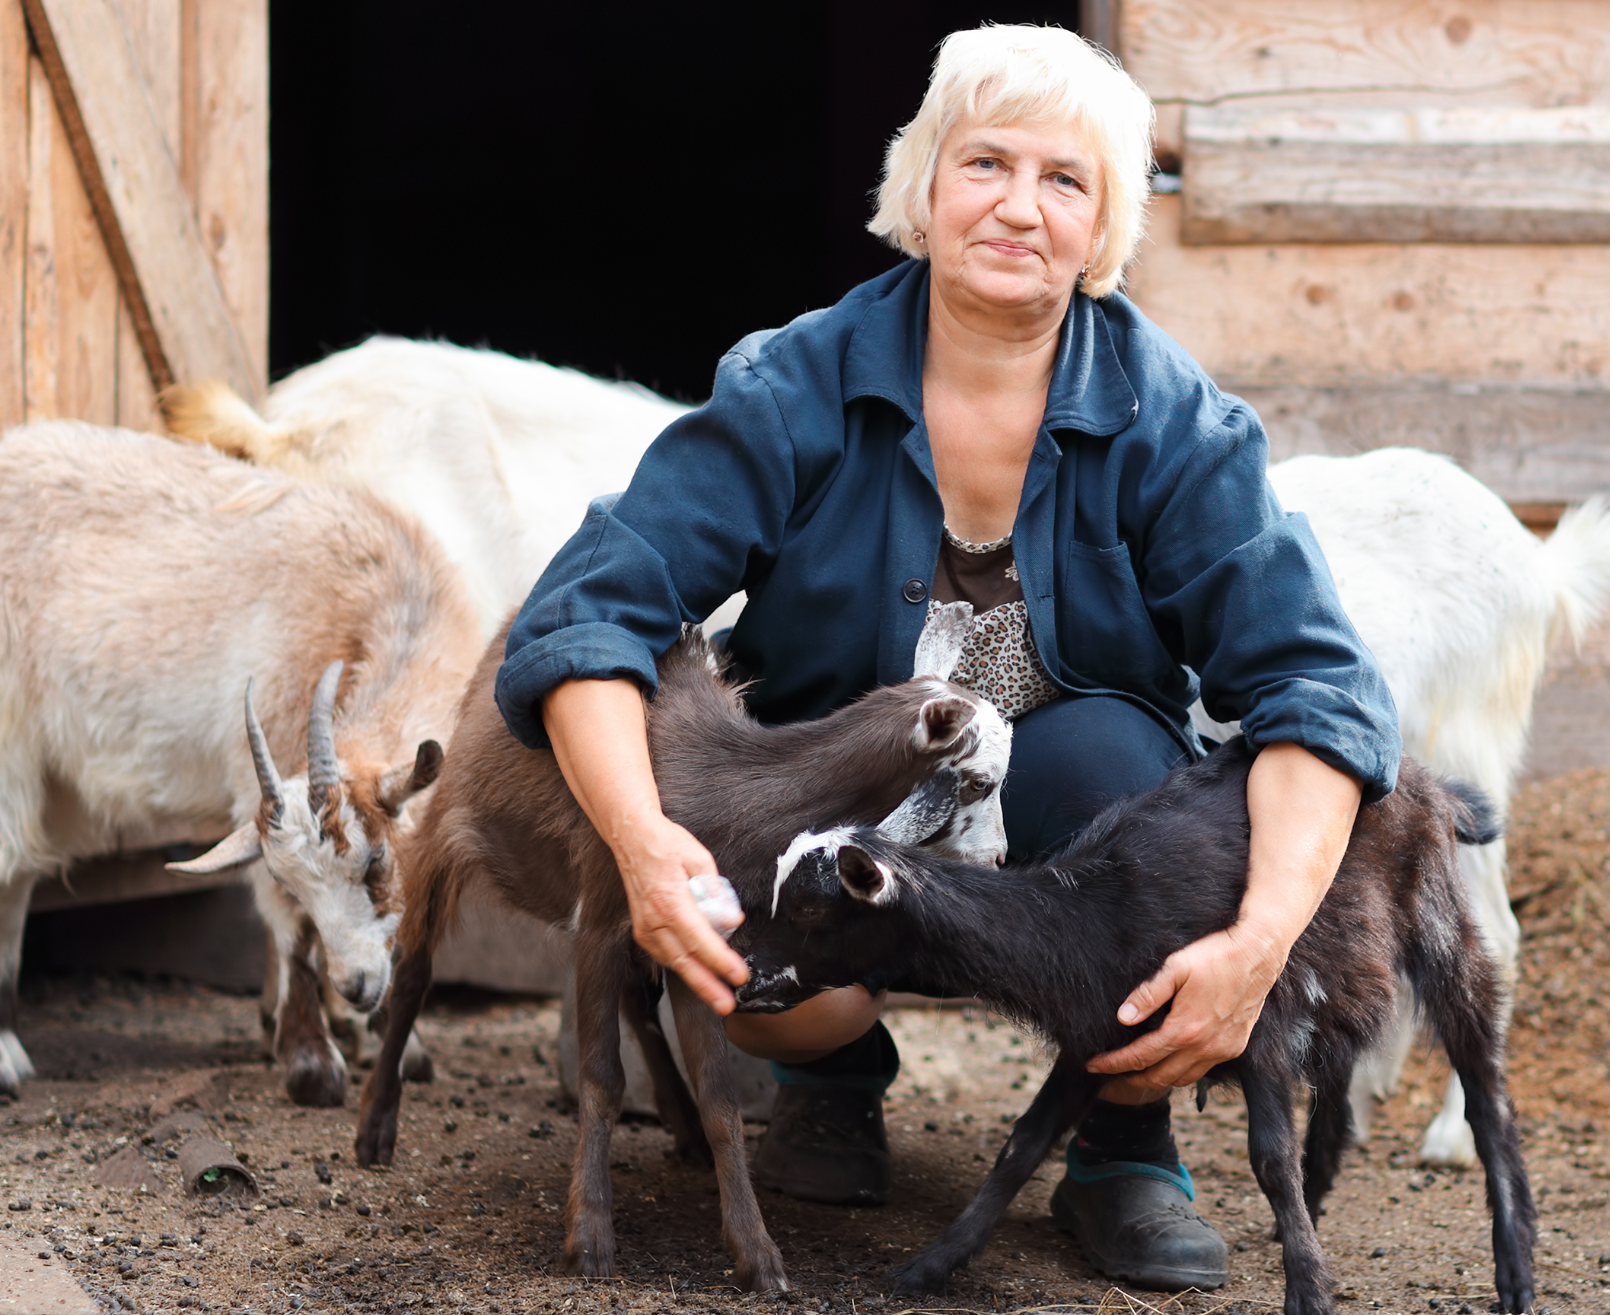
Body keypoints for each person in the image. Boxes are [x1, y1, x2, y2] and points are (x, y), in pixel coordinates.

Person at [495, 24, 1399, 1294]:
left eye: (1064, 181)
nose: (1018, 209)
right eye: (984, 164)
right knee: (781, 938)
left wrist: (1253, 946)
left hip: (1072, 831)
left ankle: (1121, 1141)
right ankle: (828, 1076)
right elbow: (586, 616)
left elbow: (1321, 693)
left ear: (1104, 227)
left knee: (1128, 770)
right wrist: (650, 848)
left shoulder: (1174, 421)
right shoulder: (792, 382)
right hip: (835, 794)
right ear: (923, 185)